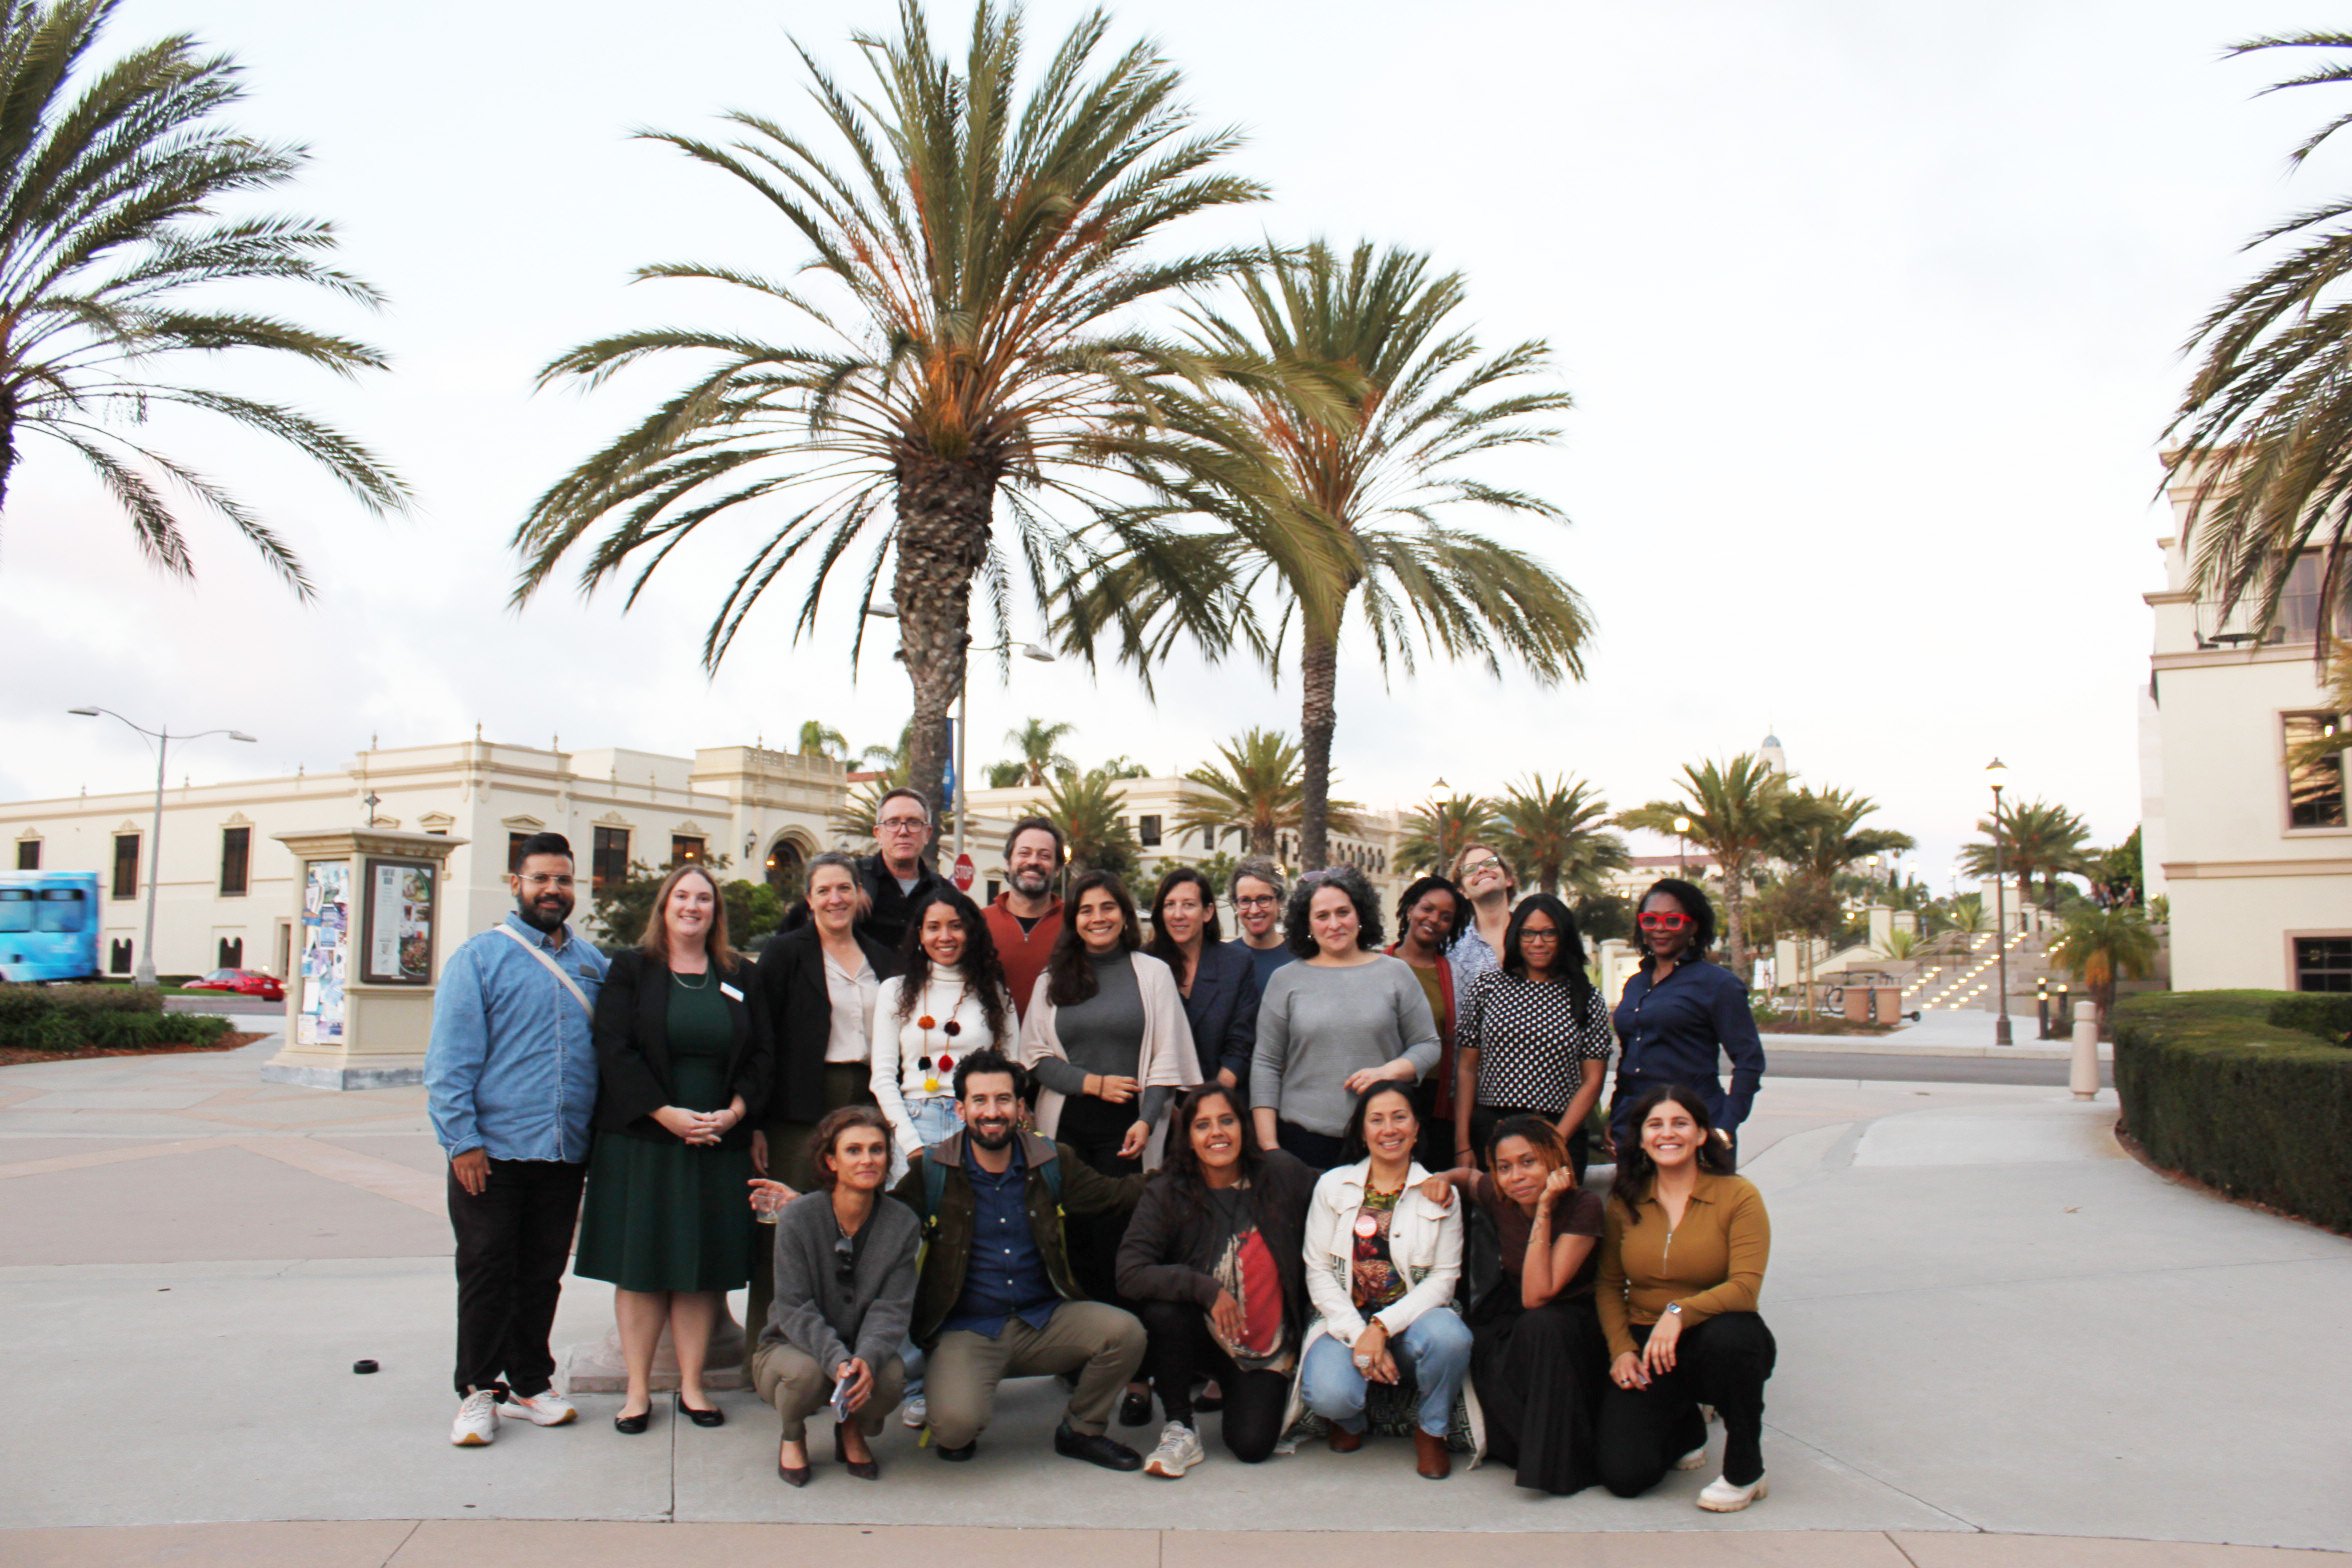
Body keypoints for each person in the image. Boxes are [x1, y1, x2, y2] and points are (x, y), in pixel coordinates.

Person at [425, 831, 611, 1448]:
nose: (553, 891)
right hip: (493, 1151)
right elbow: (449, 1063)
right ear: (517, 884)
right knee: (485, 1269)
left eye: (563, 880)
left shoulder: (592, 964)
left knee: (542, 1273)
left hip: (563, 1150)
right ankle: (478, 1390)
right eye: (541, 879)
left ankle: (531, 1381)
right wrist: (462, 1141)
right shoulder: (479, 958)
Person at [574, 863, 773, 1433]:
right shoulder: (632, 970)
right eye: (682, 896)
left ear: (716, 911)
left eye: (704, 898)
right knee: (641, 1267)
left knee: (698, 1266)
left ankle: (692, 1386)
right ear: (664, 906)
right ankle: (638, 1391)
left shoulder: (739, 974)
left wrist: (736, 1113)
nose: (692, 906)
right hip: (642, 1138)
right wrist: (665, 1115)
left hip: (717, 1138)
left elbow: (762, 1054)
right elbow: (612, 1049)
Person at [891, 1050, 1151, 1470]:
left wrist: (1190, 1172)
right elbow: (882, 1222)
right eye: (980, 1101)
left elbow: (1117, 1195)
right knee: (954, 1430)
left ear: (1020, 1107)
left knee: (1126, 1333)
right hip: (968, 1329)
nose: (992, 1112)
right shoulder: (933, 1172)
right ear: (961, 1108)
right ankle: (963, 1392)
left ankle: (1081, 1430)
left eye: (1003, 1100)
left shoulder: (1051, 1161)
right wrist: (820, 1207)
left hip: (1043, 1320)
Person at [1017, 870, 1200, 1426]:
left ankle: (1140, 1376)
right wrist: (1092, 1082)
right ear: (1073, 921)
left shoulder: (1152, 973)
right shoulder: (1055, 979)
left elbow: (1168, 1060)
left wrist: (1148, 1122)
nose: (1097, 917)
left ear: (1125, 913)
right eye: (1086, 910)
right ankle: (1089, 1358)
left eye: (1107, 907)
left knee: (1132, 1247)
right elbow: (1034, 1057)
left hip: (1133, 1134)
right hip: (1068, 1130)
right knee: (1080, 1245)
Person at [741, 851, 902, 1378]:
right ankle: (768, 1357)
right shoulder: (786, 955)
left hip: (868, 1096)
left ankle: (850, 1356)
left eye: (844, 888)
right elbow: (760, 1037)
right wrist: (757, 1119)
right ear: (808, 900)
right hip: (800, 1103)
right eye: (824, 890)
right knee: (787, 1224)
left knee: (862, 1220)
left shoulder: (884, 957)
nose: (835, 899)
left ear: (860, 895)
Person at [1116, 1084, 1316, 1477]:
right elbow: (1130, 1270)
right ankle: (1180, 1425)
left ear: (1244, 1126)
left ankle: (1242, 1388)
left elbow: (1340, 1191)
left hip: (1265, 1345)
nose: (1217, 1133)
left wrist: (1431, 1183)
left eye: (1226, 1121)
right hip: (1201, 1335)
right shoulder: (1167, 1192)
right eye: (1202, 1125)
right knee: (1163, 1309)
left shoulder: (1281, 1174)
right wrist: (1205, 1289)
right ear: (1188, 1138)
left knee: (1252, 1446)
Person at [1595, 1085, 1776, 1512]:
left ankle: (1745, 1471)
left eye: (1680, 1123)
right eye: (1654, 1125)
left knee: (1734, 1340)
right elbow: (1608, 1284)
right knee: (1624, 1475)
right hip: (1647, 1343)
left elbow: (1745, 1288)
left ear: (1701, 1134)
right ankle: (1685, 1429)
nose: (1667, 1133)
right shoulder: (1627, 1200)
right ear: (1640, 1138)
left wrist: (1679, 1311)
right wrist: (1621, 1350)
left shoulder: (1738, 1195)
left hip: (1715, 1334)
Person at [1293, 1083, 1474, 1480]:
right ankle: (1351, 1419)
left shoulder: (1440, 1195)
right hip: (1345, 1322)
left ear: (1415, 1128)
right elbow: (1318, 1271)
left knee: (1451, 1337)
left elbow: (1444, 1280)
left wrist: (1382, 1327)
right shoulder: (1332, 1186)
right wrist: (1361, 1333)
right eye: (1376, 1120)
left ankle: (1431, 1430)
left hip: (1413, 1323)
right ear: (1361, 1131)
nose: (1388, 1129)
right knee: (1328, 1393)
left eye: (1399, 1117)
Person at [1423, 1116, 1607, 1495]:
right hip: (1518, 1311)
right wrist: (1441, 1177)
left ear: (1553, 1161)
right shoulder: (1499, 1193)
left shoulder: (1583, 1206)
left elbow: (1539, 1293)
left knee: (1540, 1325)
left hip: (1572, 1321)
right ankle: (1522, 1443)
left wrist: (1543, 1210)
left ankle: (1560, 1464)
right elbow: (1468, 1178)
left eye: (1528, 1162)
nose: (1516, 1176)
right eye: (1504, 1167)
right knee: (1478, 1339)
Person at [749, 1106, 918, 1485]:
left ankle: (851, 1428)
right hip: (790, 1346)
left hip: (861, 1344)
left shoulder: (902, 1223)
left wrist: (865, 1358)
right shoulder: (797, 1218)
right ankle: (793, 1434)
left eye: (876, 1150)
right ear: (831, 1160)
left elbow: (892, 1308)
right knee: (805, 1375)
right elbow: (793, 1307)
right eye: (853, 1150)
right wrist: (836, 1358)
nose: (867, 1159)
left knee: (888, 1375)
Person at [1249, 867, 1441, 1171]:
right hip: (1302, 1143)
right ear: (1307, 923)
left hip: (1382, 1139)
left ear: (1360, 914)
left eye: (1343, 912)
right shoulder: (1285, 980)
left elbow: (1428, 1045)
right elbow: (1265, 1063)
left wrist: (1388, 1071)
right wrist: (1270, 1147)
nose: (1334, 924)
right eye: (1322, 916)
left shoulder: (1395, 973)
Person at [1454, 894, 1615, 1181]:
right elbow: (1467, 1068)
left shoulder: (1586, 997)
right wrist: (1462, 1142)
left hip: (1557, 1129)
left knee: (1555, 1220)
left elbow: (1593, 1080)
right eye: (1528, 933)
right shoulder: (1488, 986)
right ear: (1516, 936)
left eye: (1548, 933)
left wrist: (1555, 1140)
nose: (1537, 943)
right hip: (1493, 1127)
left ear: (1563, 936)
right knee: (1495, 1221)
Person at [1609, 878, 1766, 1167]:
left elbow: (1750, 1061)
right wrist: (1614, 1119)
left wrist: (1726, 1125)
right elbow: (1630, 1059)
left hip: (1695, 1128)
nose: (1659, 928)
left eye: (1672, 920)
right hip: (1635, 1128)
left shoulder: (1718, 985)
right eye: (1650, 919)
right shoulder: (1635, 984)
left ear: (1693, 926)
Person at [870, 888, 1018, 1171]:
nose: (945, 937)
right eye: (933, 927)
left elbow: (1013, 1066)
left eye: (955, 926)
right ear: (920, 935)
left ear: (971, 932)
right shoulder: (895, 991)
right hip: (913, 1119)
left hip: (977, 1120)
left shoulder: (994, 992)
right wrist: (911, 1144)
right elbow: (883, 1077)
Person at [785, 786, 942, 951]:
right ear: (878, 833)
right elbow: (792, 936)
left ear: (927, 833)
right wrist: (847, 895)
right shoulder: (846, 881)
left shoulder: (941, 891)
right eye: (893, 822)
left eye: (913, 822)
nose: (903, 831)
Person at [1146, 866, 1260, 1092]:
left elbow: (1241, 1042)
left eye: (1188, 905)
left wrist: (1211, 1099)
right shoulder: (1144, 963)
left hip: (1218, 1098)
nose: (1178, 914)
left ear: (1207, 912)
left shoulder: (1236, 963)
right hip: (1155, 1101)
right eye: (1170, 905)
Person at [1386, 875, 1467, 1168]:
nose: (1434, 919)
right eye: (1427, 908)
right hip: (1384, 1092)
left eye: (1445, 917)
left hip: (1437, 1101)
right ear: (1409, 909)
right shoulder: (1374, 965)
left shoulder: (1458, 977)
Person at [983, 816, 1065, 1024]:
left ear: (1057, 868)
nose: (1033, 861)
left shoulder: (1075, 924)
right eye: (1024, 853)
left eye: (1044, 855)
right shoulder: (978, 924)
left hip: (1056, 1050)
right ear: (1008, 862)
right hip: (992, 1048)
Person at [1448, 842, 1517, 992]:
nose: (1482, 869)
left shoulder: (1533, 936)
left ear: (1508, 879)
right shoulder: (1452, 949)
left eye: (1490, 863)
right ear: (1462, 892)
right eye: (1470, 869)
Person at [1225, 859, 1294, 994]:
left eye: (1263, 899)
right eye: (1245, 901)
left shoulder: (1299, 956)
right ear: (1235, 905)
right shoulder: (1223, 960)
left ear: (1280, 902)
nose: (1254, 910)